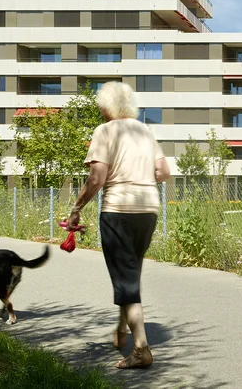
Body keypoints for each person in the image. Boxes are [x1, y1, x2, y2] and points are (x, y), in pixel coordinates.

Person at [67, 81, 169, 369]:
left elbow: (97, 178)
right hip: (148, 209)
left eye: (100, 106)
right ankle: (122, 329)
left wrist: (76, 209)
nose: (100, 111)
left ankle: (141, 349)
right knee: (130, 272)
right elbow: (163, 172)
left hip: (118, 210)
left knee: (125, 279)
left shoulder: (105, 131)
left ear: (107, 107)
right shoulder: (145, 131)